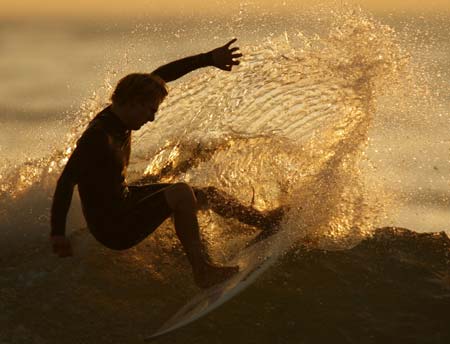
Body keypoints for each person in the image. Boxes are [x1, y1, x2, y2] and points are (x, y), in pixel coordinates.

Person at [50, 39, 283, 288]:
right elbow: (66, 180)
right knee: (181, 193)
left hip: (124, 201)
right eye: (150, 111)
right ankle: (203, 271)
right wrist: (57, 233)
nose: (151, 119)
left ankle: (264, 221)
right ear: (133, 102)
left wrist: (208, 58)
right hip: (113, 227)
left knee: (203, 194)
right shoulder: (98, 137)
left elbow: (162, 75)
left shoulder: (121, 114)